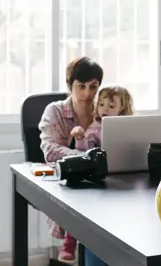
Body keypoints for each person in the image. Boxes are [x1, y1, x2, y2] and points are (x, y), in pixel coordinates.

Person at [37, 56, 107, 265]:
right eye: (81, 86)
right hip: (66, 179)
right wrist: (86, 159)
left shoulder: (103, 111)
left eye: (93, 87)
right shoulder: (55, 111)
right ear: (70, 86)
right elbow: (50, 150)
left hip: (100, 180)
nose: (88, 93)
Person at [71, 85, 135, 151]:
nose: (105, 109)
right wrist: (80, 139)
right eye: (101, 104)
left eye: (111, 106)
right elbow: (85, 150)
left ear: (122, 108)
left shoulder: (127, 125)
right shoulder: (95, 128)